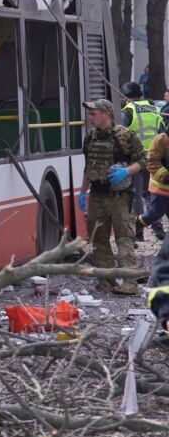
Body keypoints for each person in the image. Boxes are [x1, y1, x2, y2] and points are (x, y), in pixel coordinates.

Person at [78, 98, 146, 295]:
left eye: (93, 114)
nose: (90, 118)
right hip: (97, 196)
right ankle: (106, 280)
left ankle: (130, 283)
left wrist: (127, 172)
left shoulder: (124, 136)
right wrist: (83, 191)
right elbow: (88, 167)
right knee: (98, 239)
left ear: (106, 114)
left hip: (120, 198)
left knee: (124, 238)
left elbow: (143, 159)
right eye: (90, 114)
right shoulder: (90, 137)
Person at [120, 81, 164, 240]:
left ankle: (138, 231)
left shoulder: (127, 111)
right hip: (155, 158)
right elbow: (162, 133)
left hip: (136, 159)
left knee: (136, 194)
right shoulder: (154, 109)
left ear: (125, 97)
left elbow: (121, 135)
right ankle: (158, 226)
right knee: (151, 193)